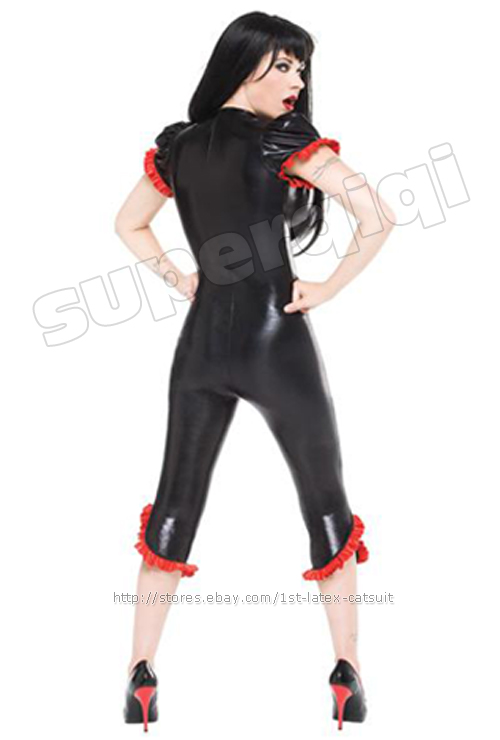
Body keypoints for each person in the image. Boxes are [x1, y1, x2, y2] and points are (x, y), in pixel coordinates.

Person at [115, 11, 395, 732]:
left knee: (175, 502)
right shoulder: (283, 141)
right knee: (325, 499)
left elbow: (128, 223)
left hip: (201, 344)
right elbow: (377, 216)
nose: (297, 81)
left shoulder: (179, 147)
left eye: (301, 67)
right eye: (284, 66)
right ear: (243, 67)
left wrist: (181, 277)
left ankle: (141, 672)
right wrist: (327, 288)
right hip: (277, 340)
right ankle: (347, 671)